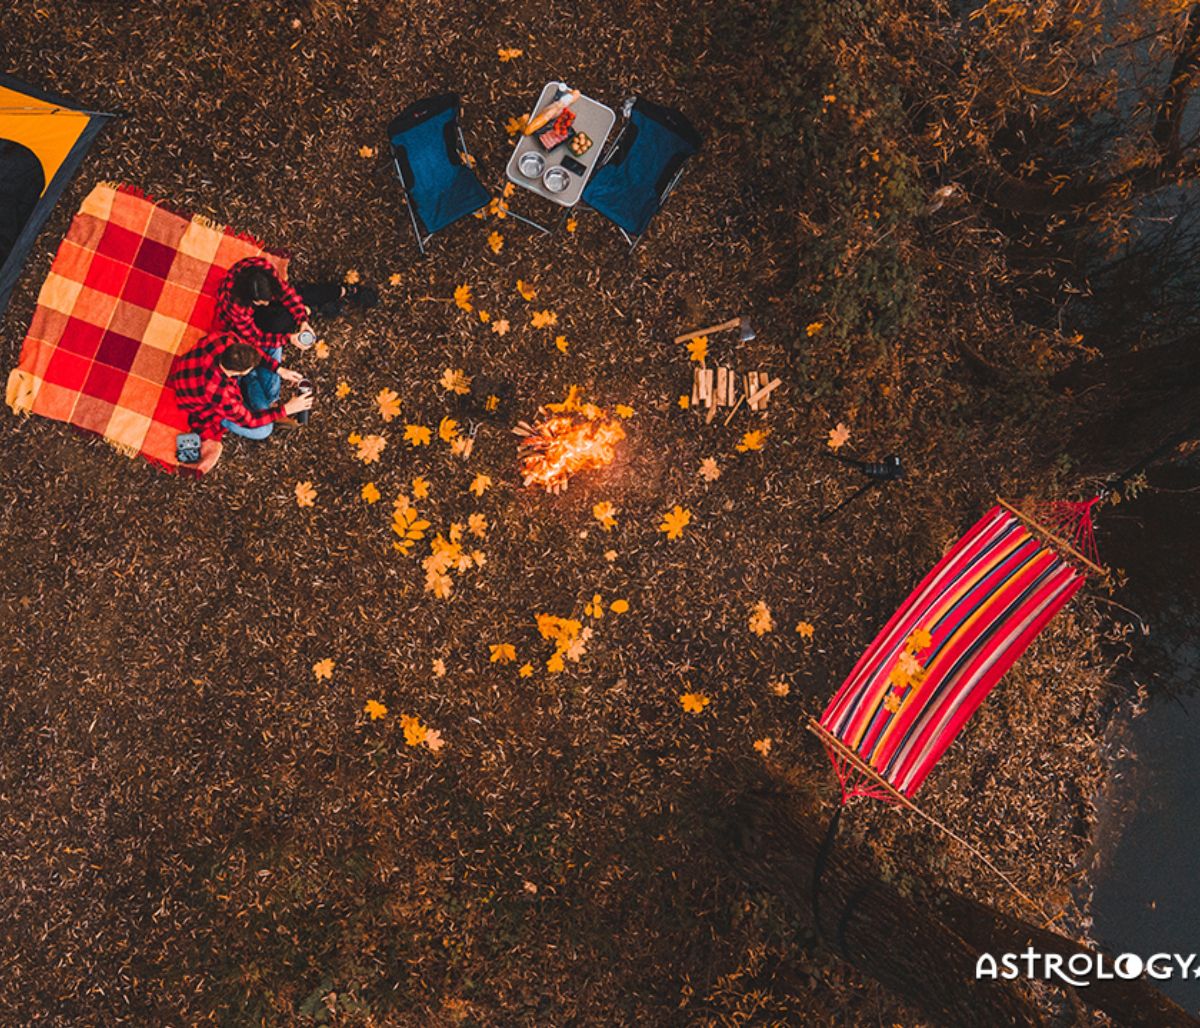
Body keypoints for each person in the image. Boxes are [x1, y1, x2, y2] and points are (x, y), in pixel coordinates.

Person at [169, 332, 313, 472]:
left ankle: (259, 392)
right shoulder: (220, 393)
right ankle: (259, 391)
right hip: (213, 405)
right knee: (264, 430)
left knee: (274, 348)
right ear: (240, 373)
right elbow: (250, 421)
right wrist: (287, 409)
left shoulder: (224, 340)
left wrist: (280, 370)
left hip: (202, 372)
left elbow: (252, 349)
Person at [215, 256, 377, 361]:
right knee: (278, 323)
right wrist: (289, 339)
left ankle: (344, 291)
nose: (266, 303)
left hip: (262, 297)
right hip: (253, 318)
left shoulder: (261, 267)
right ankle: (315, 310)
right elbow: (256, 338)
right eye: (261, 302)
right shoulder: (236, 305)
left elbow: (286, 293)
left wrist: (302, 320)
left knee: (300, 294)